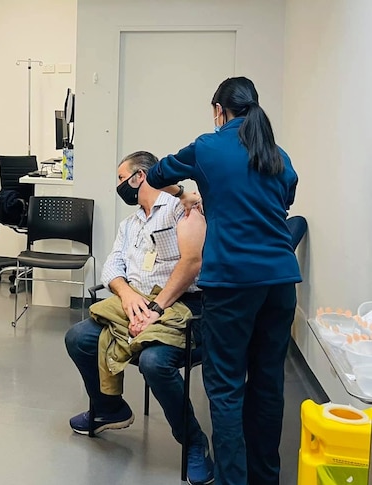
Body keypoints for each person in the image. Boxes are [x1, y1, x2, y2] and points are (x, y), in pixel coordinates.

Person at [146, 77, 300, 485]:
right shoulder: (278, 155)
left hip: (232, 285)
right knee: (267, 385)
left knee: (226, 387)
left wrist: (189, 190)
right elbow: (280, 202)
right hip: (280, 283)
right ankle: (265, 478)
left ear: (219, 110)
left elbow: (158, 174)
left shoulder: (207, 147)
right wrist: (210, 196)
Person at [65, 151, 213, 484]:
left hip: (184, 308)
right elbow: (112, 268)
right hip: (138, 304)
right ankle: (109, 408)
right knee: (78, 337)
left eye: (121, 178)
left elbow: (193, 265)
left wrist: (156, 308)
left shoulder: (182, 210)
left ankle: (193, 442)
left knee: (154, 362)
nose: (118, 186)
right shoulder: (129, 224)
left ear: (140, 176)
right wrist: (129, 296)